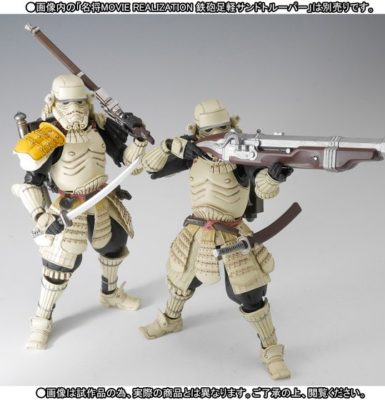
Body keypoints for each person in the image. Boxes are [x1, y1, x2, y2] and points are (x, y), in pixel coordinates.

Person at [140, 99, 293, 380]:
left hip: (232, 232)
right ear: (198, 131)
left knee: (250, 292)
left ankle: (271, 349)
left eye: (222, 128)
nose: (216, 135)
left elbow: (263, 188)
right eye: (209, 130)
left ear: (231, 126)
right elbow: (150, 168)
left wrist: (273, 177)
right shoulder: (194, 152)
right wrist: (168, 145)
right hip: (197, 230)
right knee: (179, 280)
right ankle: (170, 320)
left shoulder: (242, 155)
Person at [13, 74, 147, 350]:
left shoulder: (99, 126)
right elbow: (31, 182)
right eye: (66, 103)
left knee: (114, 245)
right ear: (53, 103)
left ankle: (110, 293)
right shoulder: (47, 135)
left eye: (80, 102)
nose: (74, 108)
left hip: (102, 198)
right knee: (59, 266)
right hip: (68, 205)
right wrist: (40, 216)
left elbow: (125, 159)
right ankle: (42, 319)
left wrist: (140, 141)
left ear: (88, 102)